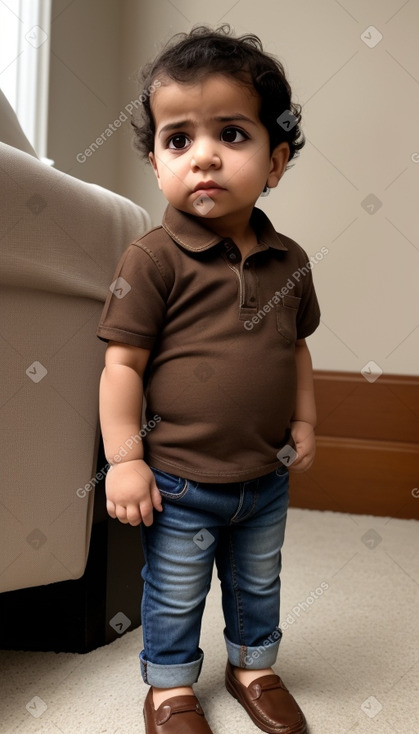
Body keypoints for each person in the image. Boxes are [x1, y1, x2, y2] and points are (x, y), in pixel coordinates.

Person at [97, 25, 320, 734]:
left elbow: (295, 353)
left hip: (264, 474)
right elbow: (121, 365)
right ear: (157, 163)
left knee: (258, 581)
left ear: (275, 160)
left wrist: (306, 422)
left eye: (230, 134)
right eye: (177, 140)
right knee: (174, 590)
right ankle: (167, 688)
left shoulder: (288, 260)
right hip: (180, 480)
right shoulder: (152, 259)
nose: (203, 158)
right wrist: (124, 461)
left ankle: (253, 665)